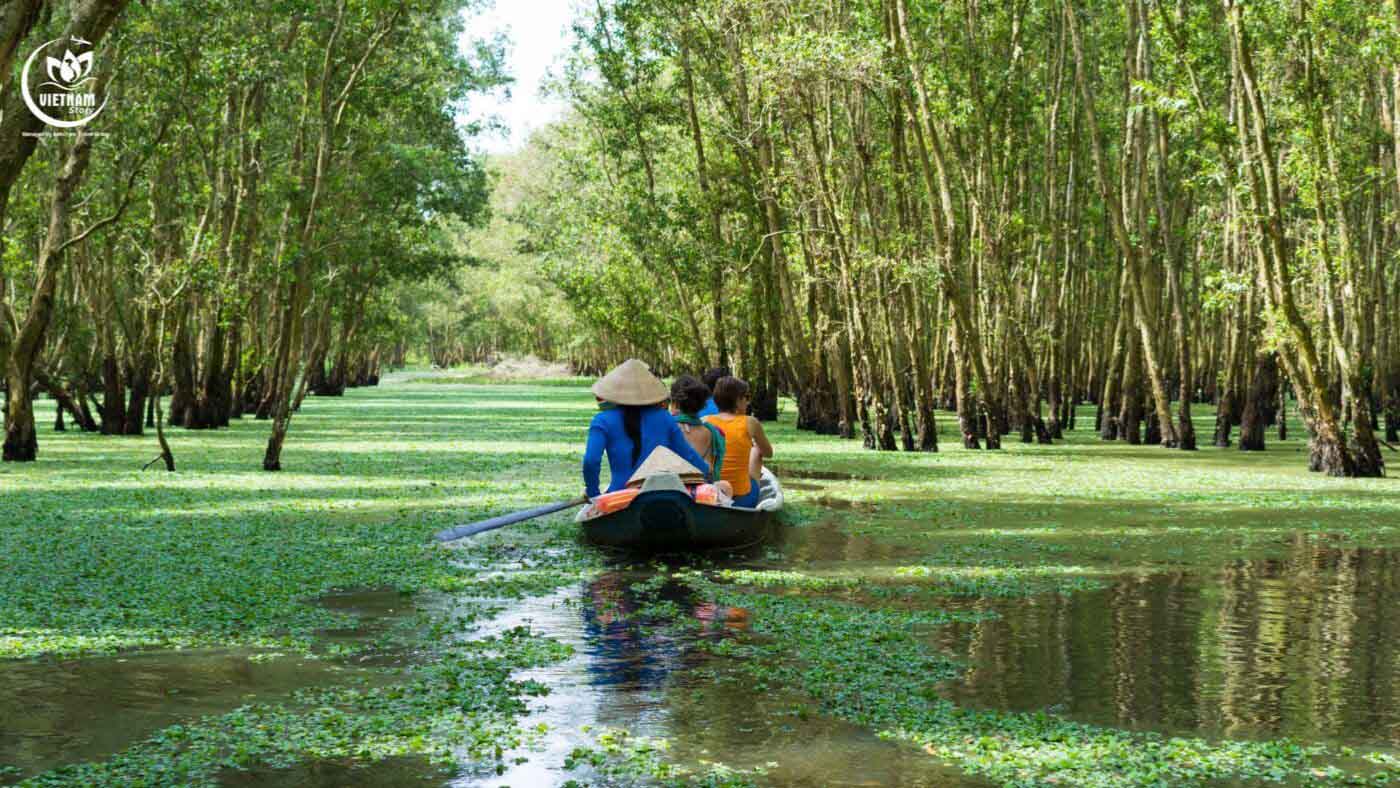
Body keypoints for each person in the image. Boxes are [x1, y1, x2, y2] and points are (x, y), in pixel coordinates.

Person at [583, 359, 711, 499]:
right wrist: (708, 475)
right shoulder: (665, 418)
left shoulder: (602, 420)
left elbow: (591, 460)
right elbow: (688, 455)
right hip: (661, 495)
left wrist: (593, 492)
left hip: (619, 495)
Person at [703, 376, 773, 508]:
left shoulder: (705, 421)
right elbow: (768, 453)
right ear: (737, 400)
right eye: (746, 397)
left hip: (711, 496)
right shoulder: (750, 422)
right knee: (757, 450)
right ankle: (753, 494)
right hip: (742, 499)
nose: (747, 402)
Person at [668, 375, 733, 498]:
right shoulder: (712, 432)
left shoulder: (668, 428)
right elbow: (711, 472)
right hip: (702, 493)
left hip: (672, 490)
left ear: (675, 403)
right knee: (725, 486)